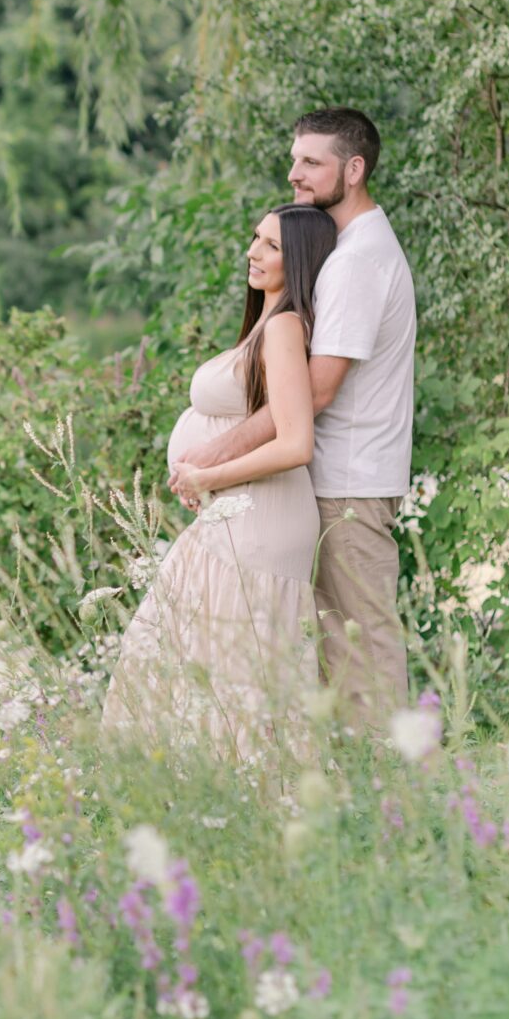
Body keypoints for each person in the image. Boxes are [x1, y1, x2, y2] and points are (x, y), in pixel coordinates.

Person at [171, 108, 416, 729]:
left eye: (311, 162)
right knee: (335, 641)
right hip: (329, 483)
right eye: (294, 158)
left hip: (349, 484)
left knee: (361, 639)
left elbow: (313, 394)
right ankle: (365, 785)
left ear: (353, 170)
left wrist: (214, 460)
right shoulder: (345, 251)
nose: (294, 173)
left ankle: (400, 790)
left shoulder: (358, 261)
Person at [99, 204, 337, 762]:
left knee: (237, 675)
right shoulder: (268, 322)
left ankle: (253, 804)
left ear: (299, 258)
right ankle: (214, 804)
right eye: (255, 239)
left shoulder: (283, 326)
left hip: (262, 520)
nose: (253, 252)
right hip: (237, 513)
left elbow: (295, 442)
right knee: (208, 664)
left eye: (271, 246)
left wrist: (208, 475)